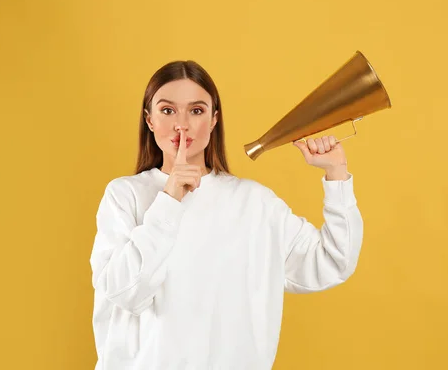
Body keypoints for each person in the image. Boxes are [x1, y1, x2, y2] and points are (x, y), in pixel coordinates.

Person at [89, 60, 364, 370]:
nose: (182, 124)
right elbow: (126, 292)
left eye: (196, 111)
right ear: (149, 119)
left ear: (214, 119)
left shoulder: (254, 203)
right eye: (167, 110)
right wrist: (169, 199)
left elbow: (333, 261)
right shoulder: (124, 196)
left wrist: (336, 173)